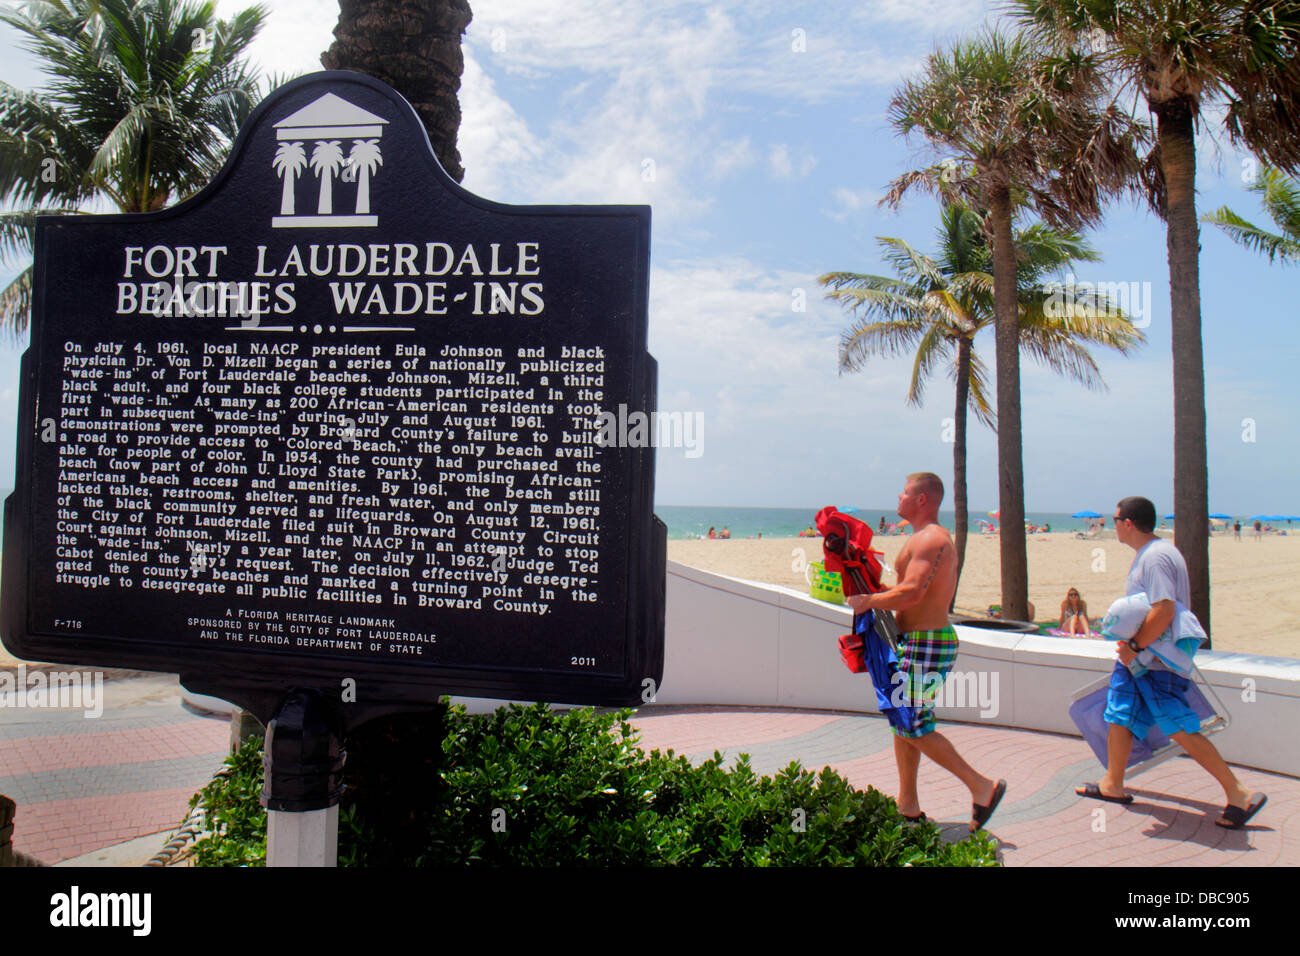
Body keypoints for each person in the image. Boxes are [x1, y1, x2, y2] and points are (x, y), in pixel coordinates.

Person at [1075, 496, 1266, 829]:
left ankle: (1239, 793)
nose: (1113, 524)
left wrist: (1134, 645)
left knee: (1177, 725)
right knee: (1120, 714)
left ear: (1128, 523)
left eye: (1116, 519)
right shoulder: (1150, 555)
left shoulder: (1157, 557)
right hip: (1140, 660)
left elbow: (1162, 609)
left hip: (1153, 661)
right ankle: (1113, 784)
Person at [845, 472, 1006, 832]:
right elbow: (904, 589)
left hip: (928, 642)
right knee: (903, 723)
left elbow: (914, 592)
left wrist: (868, 600)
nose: (898, 497)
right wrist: (875, 588)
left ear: (921, 499)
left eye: (904, 492)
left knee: (913, 725)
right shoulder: (919, 538)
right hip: (917, 641)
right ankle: (908, 805)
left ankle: (983, 788)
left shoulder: (932, 539)